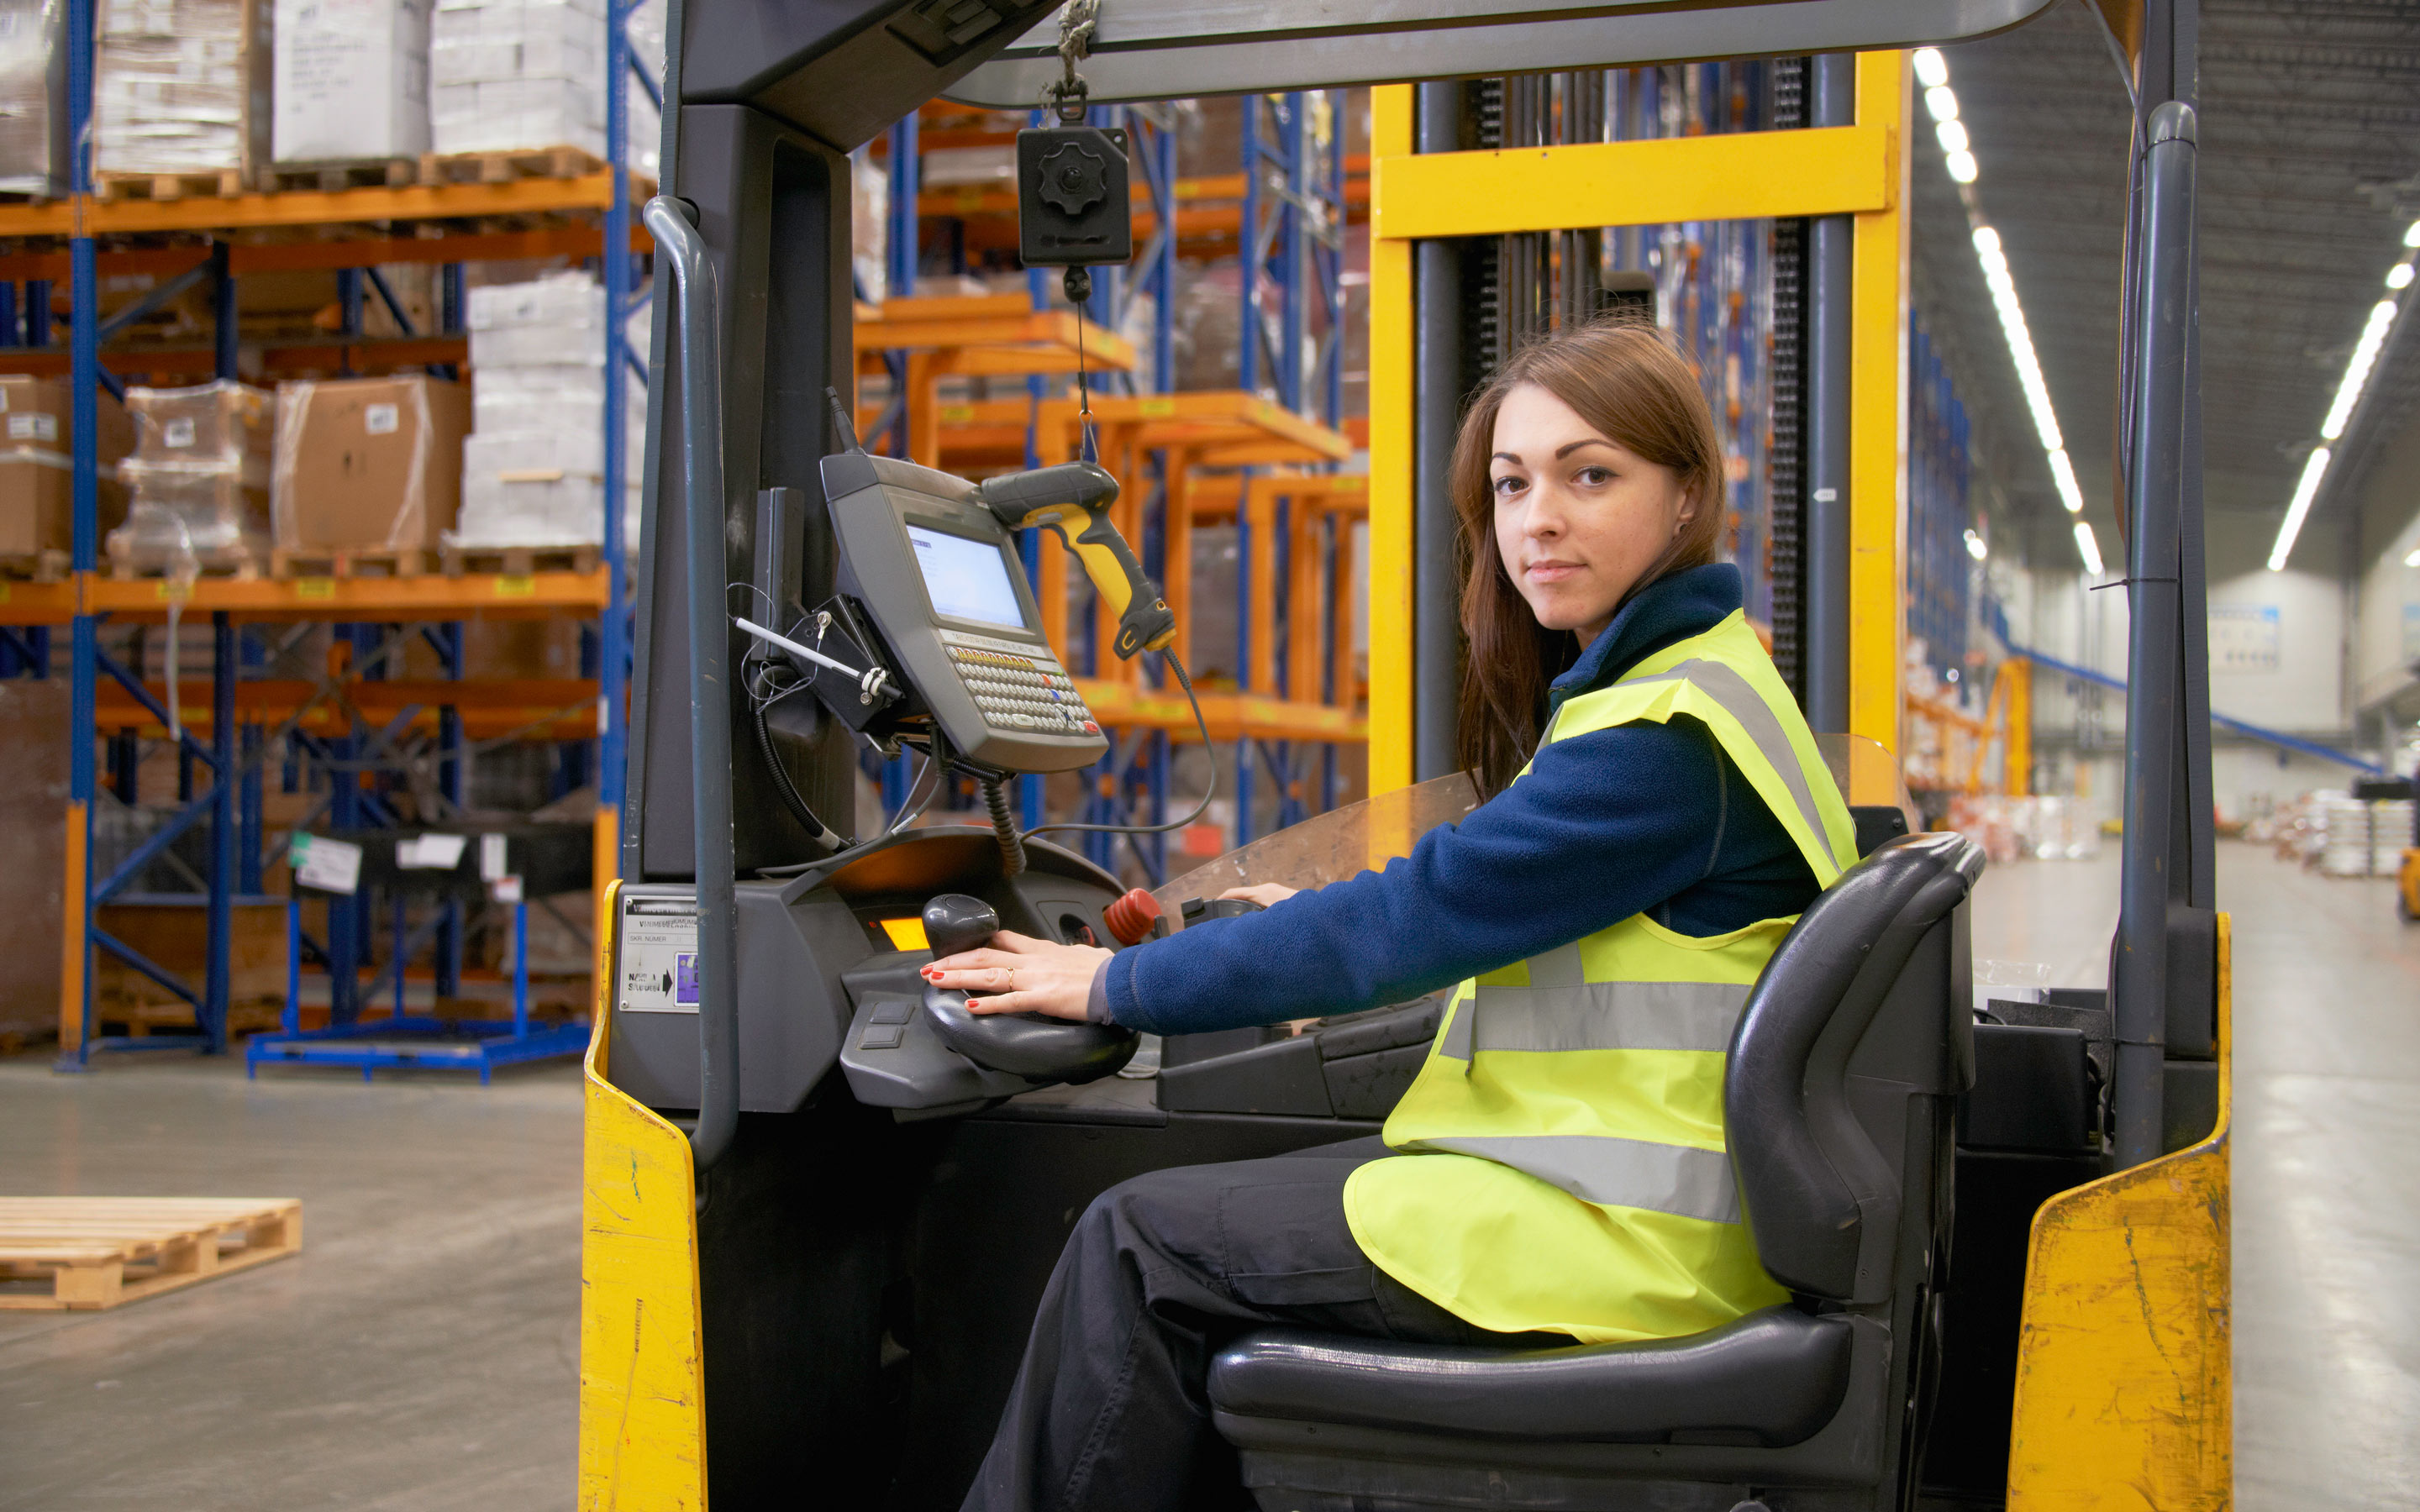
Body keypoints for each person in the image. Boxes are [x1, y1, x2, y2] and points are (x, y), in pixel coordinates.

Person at [926, 319, 1859, 1512]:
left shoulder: (1663, 742)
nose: (1539, 520)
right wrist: (1306, 927)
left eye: (1590, 476)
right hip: (1631, 1210)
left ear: (1687, 497)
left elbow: (1421, 912)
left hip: (1623, 1243)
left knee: (1136, 1242)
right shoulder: (1687, 687)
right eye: (1512, 485)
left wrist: (1111, 984)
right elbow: (1513, 920)